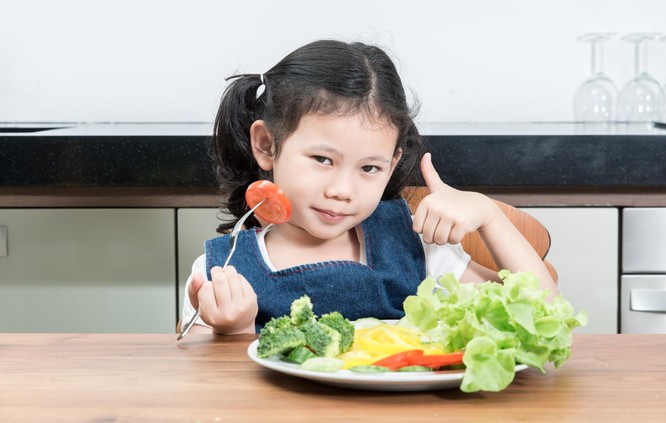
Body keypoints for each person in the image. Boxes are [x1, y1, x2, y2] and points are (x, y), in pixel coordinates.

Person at [181, 39, 558, 336]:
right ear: (266, 145)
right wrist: (236, 330)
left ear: (392, 164)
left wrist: (489, 216)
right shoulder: (222, 272)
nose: (343, 190)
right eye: (323, 160)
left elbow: (544, 313)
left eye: (369, 168)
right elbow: (199, 381)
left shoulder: (416, 248)